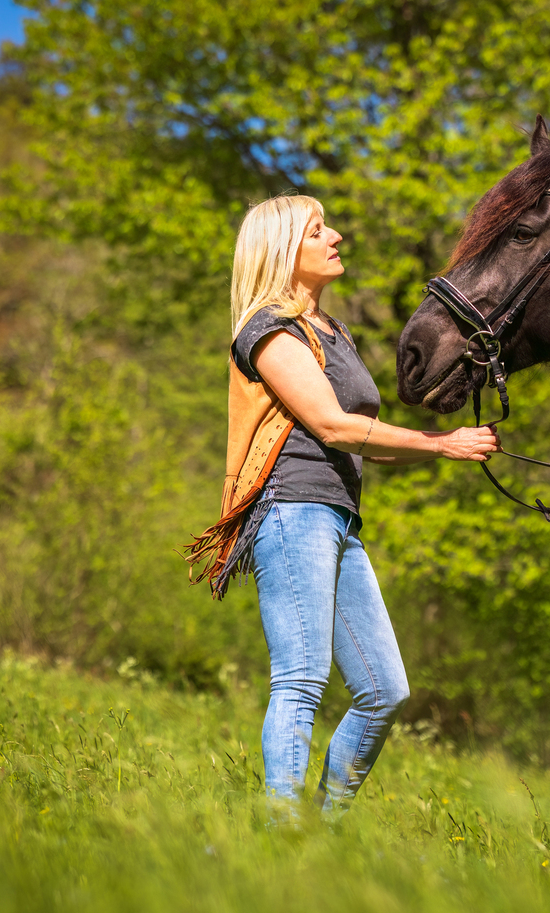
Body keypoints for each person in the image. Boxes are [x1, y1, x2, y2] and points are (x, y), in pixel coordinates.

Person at [185, 194, 498, 816]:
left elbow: (365, 442)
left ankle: (326, 837)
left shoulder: (335, 333)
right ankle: (282, 832)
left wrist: (445, 447)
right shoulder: (268, 332)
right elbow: (331, 426)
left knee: (385, 689)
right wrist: (440, 443)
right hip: (291, 510)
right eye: (318, 230)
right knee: (301, 680)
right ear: (283, 253)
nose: (337, 237)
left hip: (338, 518)